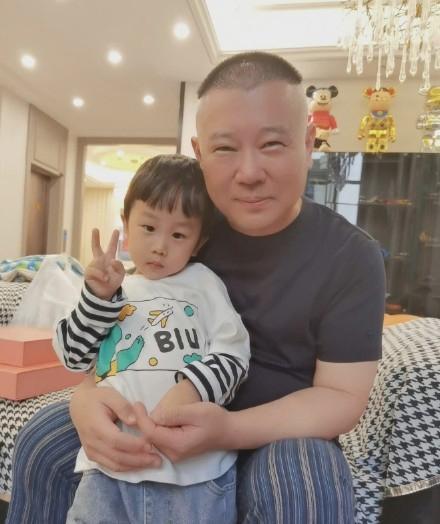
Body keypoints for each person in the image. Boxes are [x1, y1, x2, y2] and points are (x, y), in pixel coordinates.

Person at [6, 51, 385, 524]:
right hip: (153, 408)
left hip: (278, 427)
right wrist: (85, 398)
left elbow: (341, 397)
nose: (249, 172)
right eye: (225, 149)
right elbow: (129, 325)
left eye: (272, 144)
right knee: (41, 443)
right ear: (200, 152)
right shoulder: (182, 228)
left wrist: (228, 429)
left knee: (306, 489)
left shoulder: (350, 256)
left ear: (308, 143)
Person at [53, 154, 250, 523]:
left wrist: (192, 388)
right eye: (148, 227)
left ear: (199, 241)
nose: (160, 245)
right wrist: (96, 298)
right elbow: (73, 357)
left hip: (194, 474)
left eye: (178, 235)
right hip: (109, 470)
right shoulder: (112, 289)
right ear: (126, 223)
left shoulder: (203, 283)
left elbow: (234, 352)